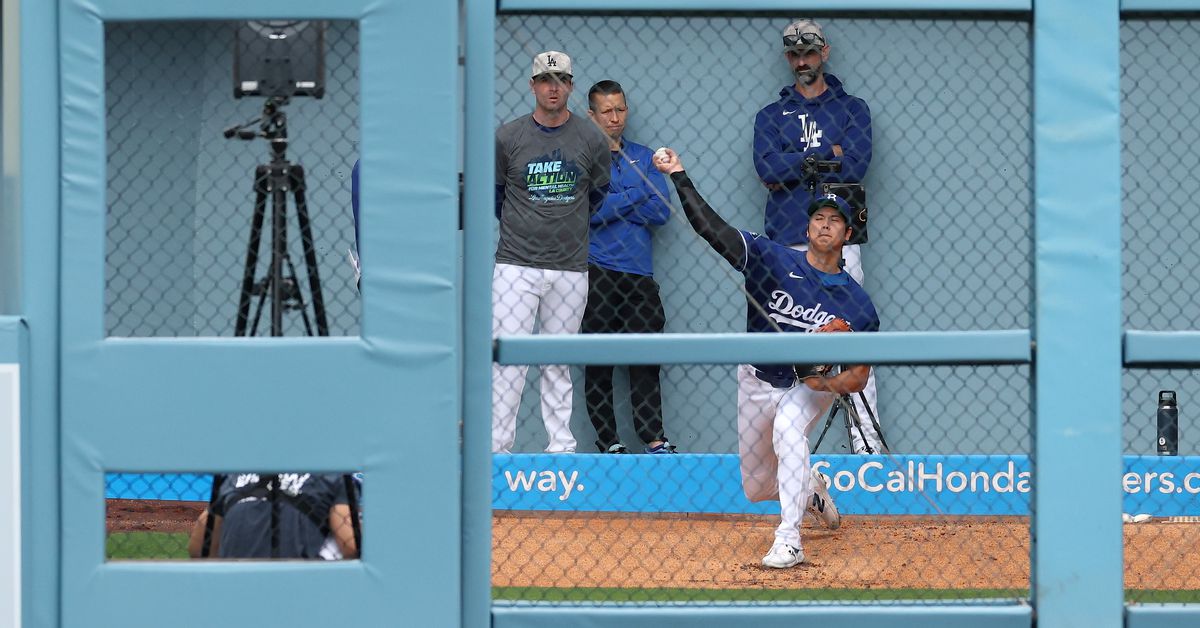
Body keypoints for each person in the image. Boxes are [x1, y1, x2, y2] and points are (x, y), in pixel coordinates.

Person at [654, 147, 879, 569]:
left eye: (835, 220)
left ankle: (789, 539)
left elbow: (860, 377)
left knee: (789, 431)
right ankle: (809, 489)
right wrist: (679, 175)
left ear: (848, 235)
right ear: (807, 226)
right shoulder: (771, 258)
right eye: (818, 217)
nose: (825, 224)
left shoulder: (856, 302)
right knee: (758, 487)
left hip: (806, 385)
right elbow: (710, 228)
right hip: (756, 377)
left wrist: (824, 385)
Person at [752, 18, 883, 455]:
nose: (802, 60)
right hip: (787, 242)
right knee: (785, 340)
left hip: (843, 245)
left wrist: (795, 165)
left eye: (809, 51)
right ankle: (788, 448)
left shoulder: (852, 109)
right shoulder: (771, 115)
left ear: (824, 52)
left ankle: (866, 444)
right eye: (794, 53)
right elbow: (766, 169)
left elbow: (857, 165)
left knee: (852, 335)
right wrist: (828, 154)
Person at [492, 51, 612, 454]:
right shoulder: (508, 137)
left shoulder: (591, 137)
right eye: (545, 79)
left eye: (560, 79)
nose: (553, 86)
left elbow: (596, 194)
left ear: (571, 85)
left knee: (558, 360)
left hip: (570, 267)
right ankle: (497, 448)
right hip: (515, 265)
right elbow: (496, 197)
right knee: (507, 360)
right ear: (532, 85)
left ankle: (560, 448)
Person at [582, 80, 675, 455]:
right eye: (607, 111)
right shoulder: (583, 159)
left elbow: (661, 211)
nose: (615, 117)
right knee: (599, 361)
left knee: (645, 359)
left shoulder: (645, 155)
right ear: (591, 115)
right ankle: (609, 441)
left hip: (639, 274)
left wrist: (616, 199)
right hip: (597, 271)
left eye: (620, 109)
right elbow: (589, 213)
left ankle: (653, 438)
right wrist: (638, 192)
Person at [187, 473, 359, 559]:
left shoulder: (233, 475)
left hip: (233, 583)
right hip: (300, 582)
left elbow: (200, 549)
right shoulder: (333, 474)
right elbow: (351, 545)